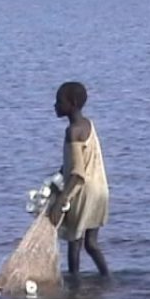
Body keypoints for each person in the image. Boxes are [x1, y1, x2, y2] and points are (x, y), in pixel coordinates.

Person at [48, 82, 109, 276]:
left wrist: (61, 201)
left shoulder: (72, 132)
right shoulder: (87, 124)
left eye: (59, 101)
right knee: (91, 244)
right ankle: (107, 277)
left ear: (72, 104)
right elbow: (74, 163)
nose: (55, 105)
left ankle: (74, 288)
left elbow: (77, 173)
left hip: (83, 192)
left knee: (74, 244)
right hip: (100, 191)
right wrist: (56, 179)